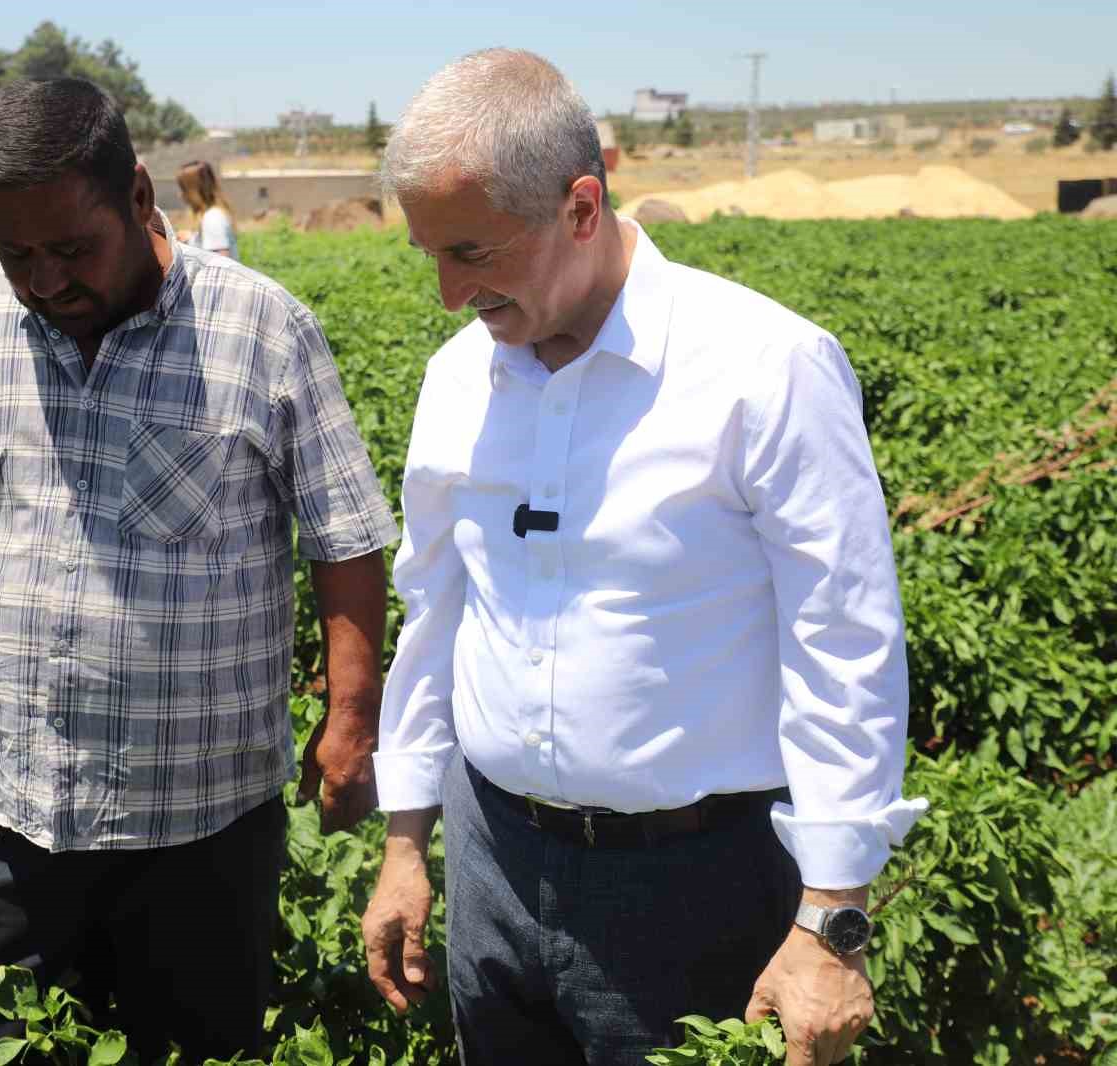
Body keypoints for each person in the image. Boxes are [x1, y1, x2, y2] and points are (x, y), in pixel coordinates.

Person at [360, 49, 927, 1066]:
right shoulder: (457, 379)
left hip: (695, 886)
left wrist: (833, 918)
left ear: (581, 207)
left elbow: (840, 636)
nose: (448, 293)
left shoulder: (764, 367)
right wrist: (406, 842)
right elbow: (434, 607)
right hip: (492, 861)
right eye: (429, 256)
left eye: (473, 252)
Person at [0, 77, 398, 1066]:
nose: (46, 280)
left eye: (71, 249)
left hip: (201, 820)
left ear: (140, 197)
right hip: (8, 804)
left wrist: (350, 717)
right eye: (18, 255)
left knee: (195, 1050)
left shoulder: (262, 331)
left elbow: (344, 537)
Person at [175, 159, 239, 259]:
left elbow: (219, 266)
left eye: (183, 189)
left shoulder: (213, 218)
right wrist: (191, 238)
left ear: (194, 191)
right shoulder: (213, 215)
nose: (181, 195)